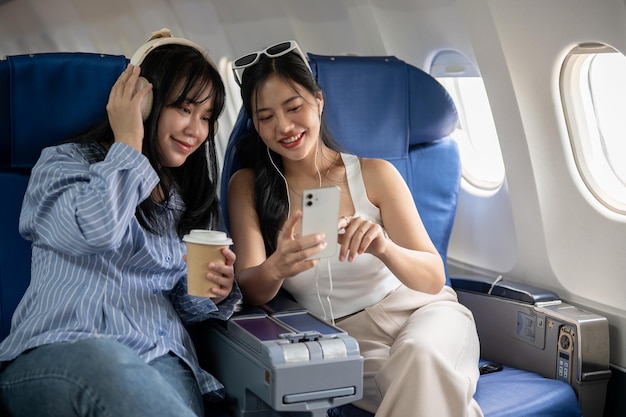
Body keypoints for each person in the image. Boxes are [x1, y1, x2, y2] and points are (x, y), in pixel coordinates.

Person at [227, 41, 483, 417]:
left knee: (420, 356)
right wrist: (277, 266)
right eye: (265, 117)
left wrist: (384, 247)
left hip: (423, 314)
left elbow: (432, 278)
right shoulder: (247, 186)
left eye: (294, 107)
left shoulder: (374, 173)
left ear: (318, 101)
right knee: (426, 389)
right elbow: (249, 287)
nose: (283, 126)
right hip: (348, 343)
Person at [0, 30, 241, 417]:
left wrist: (213, 290)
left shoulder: (186, 199)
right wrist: (128, 140)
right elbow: (97, 230)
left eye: (207, 117)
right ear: (144, 101)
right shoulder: (64, 164)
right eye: (184, 108)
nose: (197, 131)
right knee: (108, 362)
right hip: (62, 350)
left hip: (160, 354)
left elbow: (186, 302)